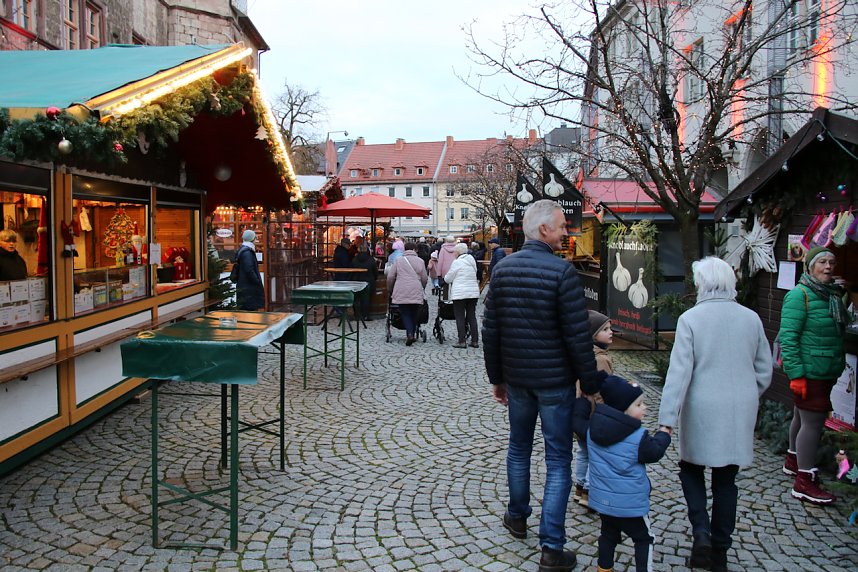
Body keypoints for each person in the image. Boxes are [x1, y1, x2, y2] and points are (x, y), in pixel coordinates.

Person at [482, 199, 599, 572]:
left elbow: (491, 331)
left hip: (518, 380)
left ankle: (517, 516)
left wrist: (497, 378)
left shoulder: (503, 269)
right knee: (558, 460)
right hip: (555, 384)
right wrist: (590, 381)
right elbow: (577, 336)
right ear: (544, 230)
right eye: (563, 226)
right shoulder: (562, 273)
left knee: (518, 449)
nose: (568, 232)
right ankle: (551, 546)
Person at [658, 256, 772, 571]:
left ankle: (701, 532)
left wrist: (666, 420)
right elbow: (764, 369)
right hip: (739, 408)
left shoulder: (691, 319)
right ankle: (720, 549)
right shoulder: (751, 318)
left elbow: (678, 374)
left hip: (701, 405)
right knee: (726, 480)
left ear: (701, 284)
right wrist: (748, 393)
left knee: (691, 467)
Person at [577, 375, 671, 572]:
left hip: (604, 501)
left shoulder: (593, 430)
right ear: (624, 410)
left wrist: (584, 402)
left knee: (608, 535)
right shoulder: (638, 437)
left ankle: (604, 568)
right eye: (639, 404)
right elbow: (654, 452)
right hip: (631, 505)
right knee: (644, 538)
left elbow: (576, 421)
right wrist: (664, 434)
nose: (644, 408)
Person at [778, 246, 848, 506]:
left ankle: (794, 461)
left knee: (801, 415)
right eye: (822, 262)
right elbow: (789, 337)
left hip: (825, 368)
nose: (828, 267)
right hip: (810, 370)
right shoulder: (800, 295)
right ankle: (804, 482)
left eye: (832, 262)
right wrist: (796, 373)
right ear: (810, 266)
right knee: (813, 422)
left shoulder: (832, 295)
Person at [573, 311, 615, 510]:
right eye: (605, 330)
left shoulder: (583, 354)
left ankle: (580, 486)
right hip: (595, 414)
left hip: (581, 412)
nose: (611, 332)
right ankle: (590, 491)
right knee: (596, 453)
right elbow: (604, 391)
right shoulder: (601, 360)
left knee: (583, 451)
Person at [386, 241, 428, 346]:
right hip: (416, 288)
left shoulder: (399, 260)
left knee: (405, 312)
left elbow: (391, 277)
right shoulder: (420, 261)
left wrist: (390, 289)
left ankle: (410, 334)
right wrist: (422, 287)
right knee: (414, 312)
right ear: (415, 249)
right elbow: (424, 278)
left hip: (401, 289)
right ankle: (412, 333)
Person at [445, 242, 480, 349]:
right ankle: (475, 340)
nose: (454, 253)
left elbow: (448, 278)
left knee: (460, 316)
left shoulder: (457, 263)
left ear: (458, 252)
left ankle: (462, 341)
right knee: (471, 316)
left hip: (460, 293)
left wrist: (445, 278)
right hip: (473, 292)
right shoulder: (472, 260)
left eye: (455, 251)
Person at [234, 229, 264, 311]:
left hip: (244, 286)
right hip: (249, 288)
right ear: (252, 239)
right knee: (250, 311)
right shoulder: (247, 252)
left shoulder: (243, 250)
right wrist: (257, 281)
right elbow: (249, 270)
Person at [351, 243, 378, 322]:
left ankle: (356, 315)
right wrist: (374, 278)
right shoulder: (371, 259)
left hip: (356, 280)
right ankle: (365, 315)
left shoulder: (354, 259)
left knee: (356, 299)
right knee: (366, 299)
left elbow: (351, 270)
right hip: (368, 281)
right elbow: (375, 272)